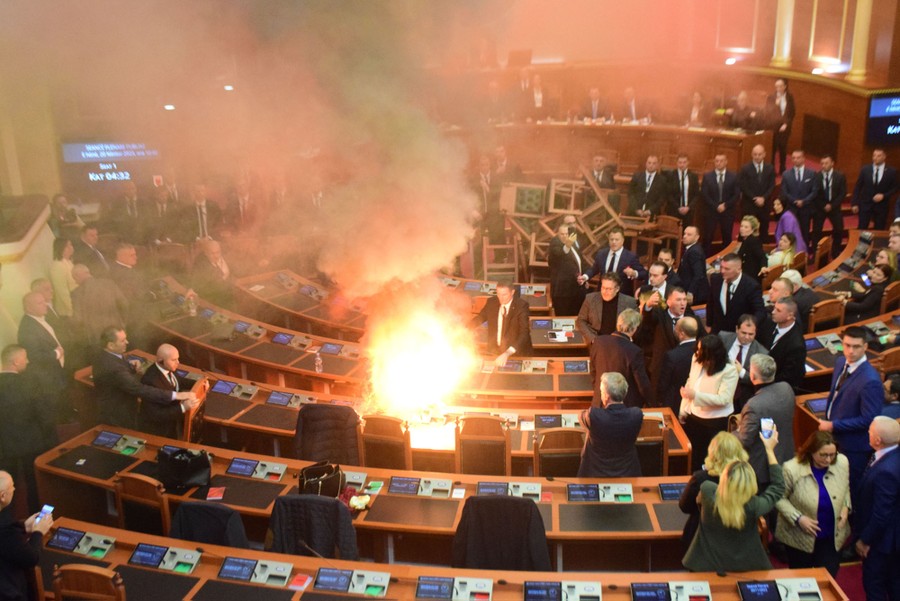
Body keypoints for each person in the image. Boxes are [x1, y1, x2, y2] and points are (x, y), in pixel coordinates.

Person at [682, 425, 785, 572]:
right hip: (745, 565)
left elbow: (692, 501)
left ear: (724, 478)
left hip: (707, 564)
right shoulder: (756, 505)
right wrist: (769, 450)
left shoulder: (707, 489)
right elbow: (778, 487)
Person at [819, 326, 883, 509]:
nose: (850, 351)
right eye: (847, 345)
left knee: (849, 491)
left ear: (865, 347)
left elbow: (869, 419)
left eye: (856, 346)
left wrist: (834, 425)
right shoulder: (841, 362)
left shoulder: (870, 380)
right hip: (835, 439)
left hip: (854, 447)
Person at [775, 431, 850, 577]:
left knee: (828, 579)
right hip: (800, 537)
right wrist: (799, 518)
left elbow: (845, 486)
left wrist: (846, 506)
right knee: (802, 580)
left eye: (832, 455)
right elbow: (778, 497)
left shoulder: (842, 462)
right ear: (811, 451)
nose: (828, 460)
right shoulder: (791, 468)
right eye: (823, 455)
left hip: (832, 537)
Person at [92, 327, 198, 429]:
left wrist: (130, 366)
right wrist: (177, 396)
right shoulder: (113, 368)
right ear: (110, 345)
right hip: (117, 416)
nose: (127, 342)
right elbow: (138, 388)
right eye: (123, 340)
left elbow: (119, 369)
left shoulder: (108, 356)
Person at [0, 346, 55, 514]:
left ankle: (6, 521)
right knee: (34, 484)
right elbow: (43, 413)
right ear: (16, 362)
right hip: (32, 444)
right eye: (25, 358)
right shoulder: (30, 383)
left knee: (5, 486)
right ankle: (38, 518)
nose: (28, 361)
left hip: (4, 447)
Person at [678, 431, 748, 552]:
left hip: (701, 541)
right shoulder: (746, 478)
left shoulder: (700, 478)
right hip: (736, 539)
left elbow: (684, 506)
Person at [854, 417, 900, 600]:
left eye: (870, 431)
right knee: (895, 583)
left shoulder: (886, 470)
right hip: (892, 540)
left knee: (875, 584)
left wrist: (865, 540)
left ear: (878, 439)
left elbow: (881, 513)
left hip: (883, 543)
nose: (868, 433)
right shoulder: (892, 457)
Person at [679, 334, 739, 470]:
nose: (697, 353)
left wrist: (695, 395)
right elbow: (691, 381)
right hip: (695, 416)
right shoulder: (696, 359)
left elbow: (724, 399)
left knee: (712, 459)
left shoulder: (729, 371)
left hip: (715, 421)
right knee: (695, 456)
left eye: (701, 350)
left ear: (712, 355)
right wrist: (684, 408)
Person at [736, 354, 795, 487]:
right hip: (786, 457)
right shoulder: (786, 388)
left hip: (762, 468)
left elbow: (744, 440)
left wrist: (735, 431)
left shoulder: (754, 405)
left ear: (753, 376)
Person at [577, 372, 644, 478]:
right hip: (627, 475)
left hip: (595, 475)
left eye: (601, 392)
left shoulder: (594, 415)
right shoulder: (636, 415)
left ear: (606, 396)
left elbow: (580, 416)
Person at [0, 470, 53, 601]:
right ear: (2, 496)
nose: (15, 488)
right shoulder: (6, 531)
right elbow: (30, 558)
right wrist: (38, 532)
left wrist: (23, 527)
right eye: (12, 486)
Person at [17, 291, 69, 419]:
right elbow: (34, 356)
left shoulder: (39, 319)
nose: (45, 305)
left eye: (44, 301)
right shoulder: (27, 328)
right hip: (46, 378)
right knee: (55, 413)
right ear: (29, 307)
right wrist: (57, 353)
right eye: (40, 303)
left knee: (63, 409)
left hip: (54, 373)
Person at [588, 309, 650, 408]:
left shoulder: (598, 342)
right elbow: (642, 384)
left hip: (599, 403)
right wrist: (652, 404)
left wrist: (599, 391)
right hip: (625, 407)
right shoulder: (635, 351)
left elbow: (593, 372)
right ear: (635, 328)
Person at [139, 344, 200, 438]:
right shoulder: (150, 380)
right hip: (159, 431)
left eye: (177, 359)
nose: (178, 362)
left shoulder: (168, 367)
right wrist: (183, 407)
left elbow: (180, 382)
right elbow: (156, 415)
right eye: (173, 360)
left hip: (173, 425)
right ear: (160, 360)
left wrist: (199, 384)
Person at [470, 282, 533, 366]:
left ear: (512, 292)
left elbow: (524, 333)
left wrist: (507, 353)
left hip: (516, 353)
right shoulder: (491, 302)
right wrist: (463, 329)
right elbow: (480, 318)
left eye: (504, 295)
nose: (501, 298)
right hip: (495, 352)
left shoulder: (521, 306)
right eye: (499, 294)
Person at [706, 253, 766, 334]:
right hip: (717, 331)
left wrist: (748, 327)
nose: (722, 271)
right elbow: (711, 303)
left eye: (727, 269)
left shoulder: (751, 286)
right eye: (721, 267)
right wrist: (708, 324)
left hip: (738, 334)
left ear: (738, 269)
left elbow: (760, 311)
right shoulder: (716, 279)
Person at [719, 315, 769, 412]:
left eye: (751, 334)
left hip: (741, 399)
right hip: (719, 391)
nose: (747, 337)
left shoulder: (762, 353)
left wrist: (741, 371)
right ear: (737, 329)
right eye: (743, 333)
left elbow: (760, 381)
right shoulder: (723, 338)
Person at [757, 297, 807, 390]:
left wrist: (763, 382)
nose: (773, 312)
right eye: (774, 308)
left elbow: (788, 377)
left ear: (789, 316)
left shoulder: (796, 345)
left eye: (778, 310)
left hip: (776, 387)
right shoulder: (769, 322)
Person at [576, 272, 637, 342]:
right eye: (603, 287)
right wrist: (592, 339)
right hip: (596, 341)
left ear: (617, 289)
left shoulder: (629, 303)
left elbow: (635, 326)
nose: (605, 291)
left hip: (619, 343)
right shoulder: (590, 299)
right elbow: (581, 320)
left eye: (609, 289)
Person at [658, 316, 699, 414]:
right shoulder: (703, 351)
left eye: (676, 328)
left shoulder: (672, 356)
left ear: (682, 334)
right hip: (697, 404)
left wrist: (659, 400)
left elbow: (664, 383)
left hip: (675, 403)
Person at [701, 154, 740, 254]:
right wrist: (716, 206)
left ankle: (726, 257)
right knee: (708, 236)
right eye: (717, 161)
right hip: (711, 211)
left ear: (726, 162)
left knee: (727, 236)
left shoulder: (733, 176)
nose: (719, 163)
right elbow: (705, 194)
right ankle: (706, 259)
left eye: (721, 161)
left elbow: (736, 195)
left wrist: (725, 205)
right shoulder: (707, 176)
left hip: (727, 211)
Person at [779, 149, 817, 251]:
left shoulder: (811, 173)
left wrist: (803, 201)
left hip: (805, 208)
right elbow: (784, 191)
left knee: (804, 232)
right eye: (794, 158)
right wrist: (794, 201)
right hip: (792, 208)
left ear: (803, 158)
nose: (795, 160)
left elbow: (814, 191)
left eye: (798, 157)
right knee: (790, 232)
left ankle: (803, 254)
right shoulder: (786, 174)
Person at [852, 148, 898, 231]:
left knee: (879, 229)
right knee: (862, 228)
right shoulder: (865, 169)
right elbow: (858, 186)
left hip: (881, 206)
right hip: (865, 204)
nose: (875, 158)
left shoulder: (892, 171)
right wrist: (854, 203)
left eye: (878, 156)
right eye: (874, 155)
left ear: (884, 157)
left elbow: (895, 188)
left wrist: (884, 196)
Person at [738, 145, 776, 244]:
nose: (757, 156)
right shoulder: (745, 168)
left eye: (759, 154)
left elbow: (772, 185)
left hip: (764, 205)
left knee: (764, 230)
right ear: (752, 155)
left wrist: (763, 198)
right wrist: (755, 198)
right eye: (755, 154)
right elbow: (743, 186)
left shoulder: (770, 168)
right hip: (749, 205)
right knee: (746, 231)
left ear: (764, 154)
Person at [548, 223, 586, 316]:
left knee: (575, 320)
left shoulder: (573, 246)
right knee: (563, 320)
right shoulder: (555, 244)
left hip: (576, 291)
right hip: (562, 293)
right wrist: (567, 246)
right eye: (562, 234)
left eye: (566, 234)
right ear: (558, 234)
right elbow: (559, 254)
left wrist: (584, 277)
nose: (565, 236)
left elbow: (579, 263)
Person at [813, 155, 846, 259]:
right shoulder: (817, 176)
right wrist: (823, 205)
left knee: (839, 229)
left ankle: (835, 252)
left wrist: (832, 205)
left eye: (826, 163)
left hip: (834, 207)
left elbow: (842, 193)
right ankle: (815, 253)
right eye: (822, 163)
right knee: (816, 231)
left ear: (832, 163)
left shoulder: (840, 176)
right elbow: (815, 193)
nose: (823, 165)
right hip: (820, 208)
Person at [190, 239, 235, 309]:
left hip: (230, 293)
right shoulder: (201, 263)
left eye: (218, 252)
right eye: (212, 253)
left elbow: (235, 271)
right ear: (206, 253)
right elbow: (215, 285)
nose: (216, 256)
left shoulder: (226, 256)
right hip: (214, 299)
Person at [766, 78, 795, 175]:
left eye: (780, 86)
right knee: (773, 149)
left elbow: (792, 113)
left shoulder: (790, 97)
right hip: (774, 127)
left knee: (783, 148)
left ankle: (783, 168)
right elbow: (768, 112)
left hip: (785, 128)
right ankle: (772, 168)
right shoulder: (771, 97)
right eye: (776, 86)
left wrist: (786, 124)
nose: (777, 88)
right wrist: (776, 105)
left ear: (785, 87)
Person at [677, 226, 709, 305]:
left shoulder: (694, 252)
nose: (684, 236)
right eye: (684, 234)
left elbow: (698, 274)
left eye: (689, 234)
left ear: (697, 237)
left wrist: (691, 292)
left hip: (696, 294)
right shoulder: (692, 249)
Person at [48, 237, 77, 318]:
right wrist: (73, 309)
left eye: (71, 245)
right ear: (60, 248)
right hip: (67, 311)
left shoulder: (69, 262)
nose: (70, 247)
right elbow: (62, 291)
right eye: (67, 246)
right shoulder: (57, 266)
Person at [667, 154, 699, 225]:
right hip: (674, 210)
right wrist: (678, 207)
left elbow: (696, 194)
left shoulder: (693, 176)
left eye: (684, 162)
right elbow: (668, 194)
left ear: (688, 162)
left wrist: (689, 207)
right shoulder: (671, 175)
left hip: (689, 211)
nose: (682, 165)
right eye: (680, 162)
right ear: (676, 163)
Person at [736, 216, 766, 281]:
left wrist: (763, 267)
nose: (742, 229)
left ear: (752, 230)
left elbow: (762, 256)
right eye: (741, 226)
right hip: (745, 274)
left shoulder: (753, 241)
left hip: (751, 277)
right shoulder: (746, 240)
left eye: (746, 227)